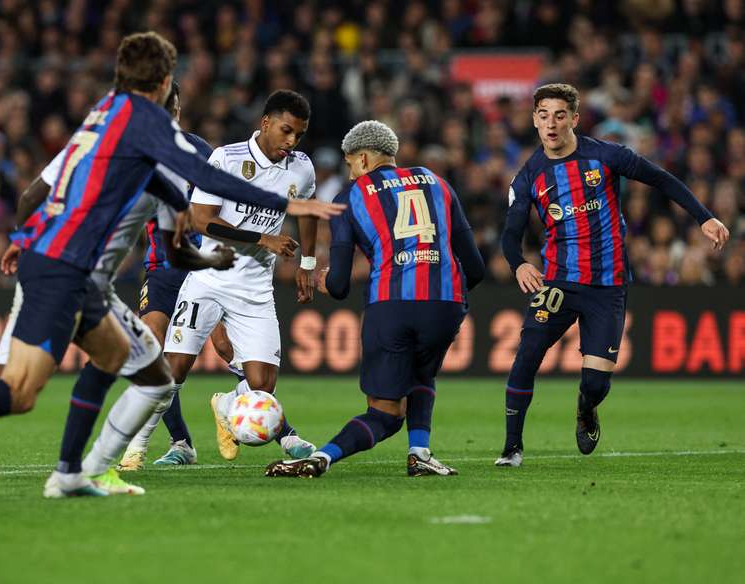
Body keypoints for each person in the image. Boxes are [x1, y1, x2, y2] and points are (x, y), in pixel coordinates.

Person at [0, 31, 344, 501]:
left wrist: (22, 239)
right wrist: (292, 207)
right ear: (161, 83)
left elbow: (38, 192)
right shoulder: (148, 121)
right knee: (17, 390)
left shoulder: (100, 118)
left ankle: (74, 473)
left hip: (72, 271)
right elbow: (199, 178)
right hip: (65, 271)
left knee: (144, 372)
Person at [495, 83, 729, 467]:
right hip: (558, 282)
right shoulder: (528, 177)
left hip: (608, 285)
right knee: (526, 356)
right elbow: (510, 235)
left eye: (558, 115)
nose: (550, 124)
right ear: (534, 120)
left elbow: (661, 179)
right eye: (542, 115)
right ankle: (512, 447)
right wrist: (518, 263)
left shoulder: (605, 155)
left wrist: (704, 217)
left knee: (595, 384)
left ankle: (586, 409)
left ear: (574, 118)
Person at [265, 120, 485, 478]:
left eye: (350, 163)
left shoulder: (349, 197)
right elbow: (474, 266)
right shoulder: (438, 183)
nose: (350, 172)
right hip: (445, 303)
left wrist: (323, 281)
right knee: (422, 372)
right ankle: (420, 452)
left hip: (390, 306)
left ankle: (322, 458)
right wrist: (450, 299)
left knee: (383, 412)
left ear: (364, 159)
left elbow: (338, 285)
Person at [160, 90, 321, 463]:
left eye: (299, 134)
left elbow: (308, 211)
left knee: (262, 389)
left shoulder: (301, 167)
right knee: (174, 370)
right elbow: (204, 220)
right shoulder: (226, 158)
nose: (292, 141)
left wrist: (308, 264)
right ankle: (156, 447)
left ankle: (227, 404)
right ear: (265, 123)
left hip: (254, 288)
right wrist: (263, 238)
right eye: (286, 131)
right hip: (209, 278)